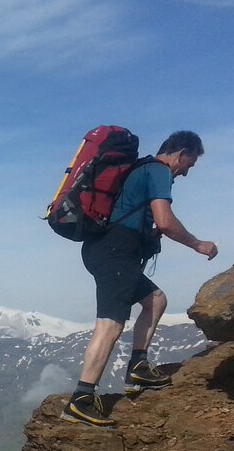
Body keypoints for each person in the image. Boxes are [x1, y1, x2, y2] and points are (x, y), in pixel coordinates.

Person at [62, 131, 219, 427]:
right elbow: (165, 221)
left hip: (106, 250)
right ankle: (81, 400)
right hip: (116, 252)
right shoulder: (159, 171)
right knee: (110, 324)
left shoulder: (140, 169)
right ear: (181, 153)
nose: (186, 172)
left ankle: (138, 367)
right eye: (189, 164)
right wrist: (198, 244)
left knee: (156, 300)